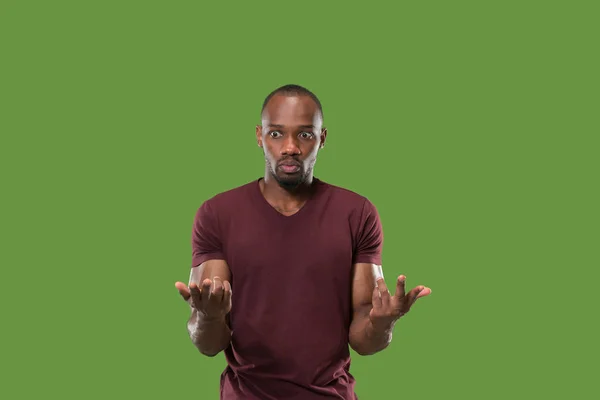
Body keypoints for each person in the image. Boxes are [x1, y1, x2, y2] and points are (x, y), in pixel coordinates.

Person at [175, 84, 431, 399]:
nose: (291, 147)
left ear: (322, 139)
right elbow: (208, 343)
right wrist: (208, 317)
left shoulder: (357, 212)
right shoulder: (217, 214)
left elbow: (364, 339)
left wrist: (382, 324)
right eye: (276, 134)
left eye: (305, 135)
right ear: (259, 136)